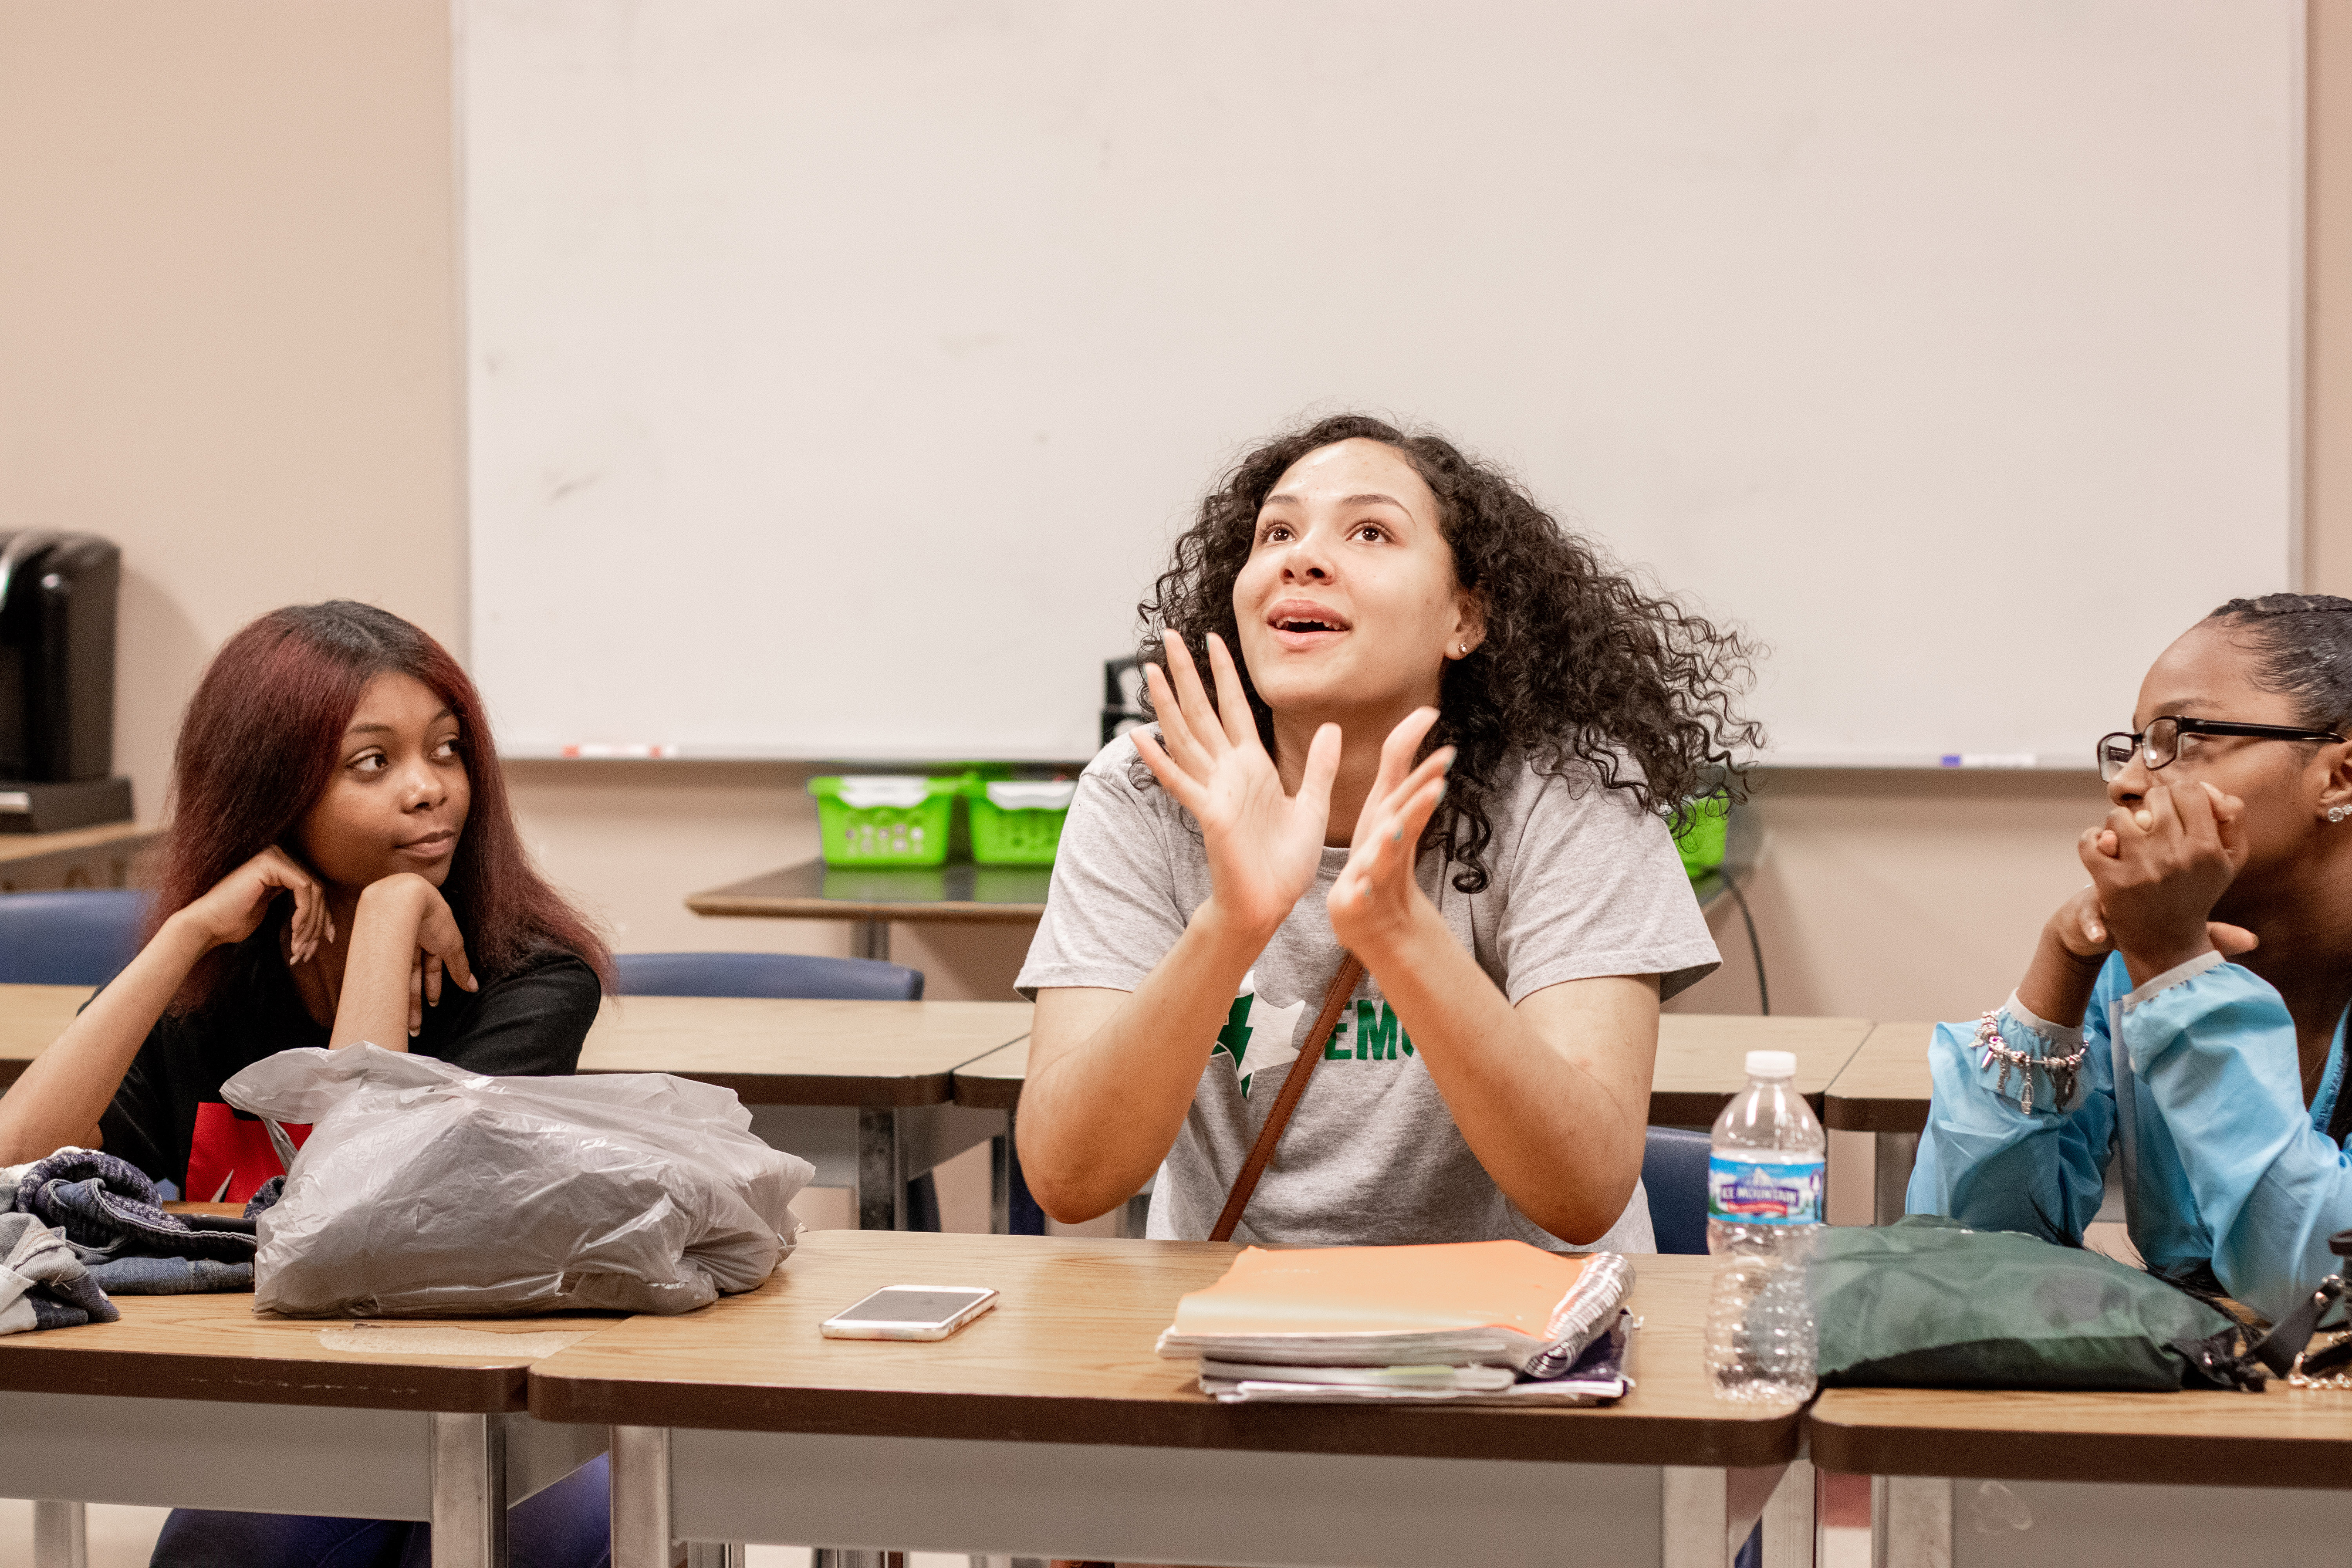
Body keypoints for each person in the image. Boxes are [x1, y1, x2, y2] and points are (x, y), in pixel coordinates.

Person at [1014, 414, 1760, 1251]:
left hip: (1524, 1323)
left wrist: (1401, 935)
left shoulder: (1568, 792)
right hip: (1232, 1320)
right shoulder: (1146, 789)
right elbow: (1070, 1180)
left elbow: (1583, 1193)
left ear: (1465, 619)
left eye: (1371, 532)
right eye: (1278, 532)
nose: (1302, 558)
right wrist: (1230, 926)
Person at [0, 599, 615, 1568]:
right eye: (373, 763)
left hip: (491, 1405)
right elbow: (18, 1160)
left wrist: (392, 912)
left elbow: (351, 1218)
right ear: (271, 793)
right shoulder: (213, 986)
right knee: (217, 1556)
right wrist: (187, 932)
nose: (429, 789)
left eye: (446, 751)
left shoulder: (527, 980)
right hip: (286, 1407)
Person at [1909, 594, 2352, 1323]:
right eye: (2138, 742)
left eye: (2185, 737)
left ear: (2340, 775)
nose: (2127, 781)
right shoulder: (2144, 960)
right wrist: (2061, 969)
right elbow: (1964, 1251)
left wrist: (2177, 967)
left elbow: (2325, 1288)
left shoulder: (2169, 960)